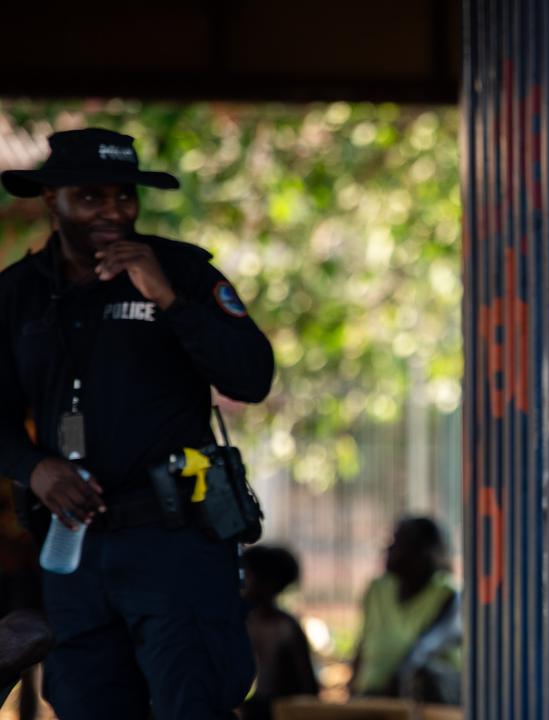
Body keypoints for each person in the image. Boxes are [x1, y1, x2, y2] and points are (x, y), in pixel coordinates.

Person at [0, 127, 275, 719]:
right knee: (86, 704)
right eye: (92, 198)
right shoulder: (18, 294)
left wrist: (170, 300)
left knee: (195, 702)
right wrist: (33, 467)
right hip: (74, 547)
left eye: (124, 196)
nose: (113, 212)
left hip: (175, 541)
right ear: (53, 200)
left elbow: (251, 378)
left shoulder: (183, 271)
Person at [350, 516, 460, 704]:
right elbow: (363, 645)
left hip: (419, 704)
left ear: (425, 552)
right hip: (371, 698)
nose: (389, 550)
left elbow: (422, 652)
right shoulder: (378, 590)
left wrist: (391, 696)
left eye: (399, 543)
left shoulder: (447, 593)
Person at [239, 544, 318, 720]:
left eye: (250, 576)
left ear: (269, 583)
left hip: (282, 711)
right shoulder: (250, 622)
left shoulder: (286, 627)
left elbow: (307, 683)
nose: (244, 583)